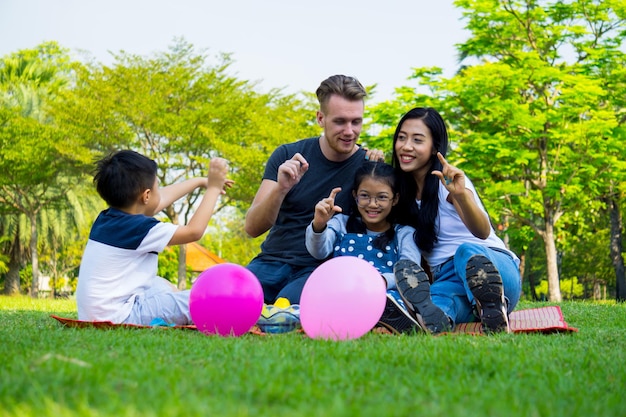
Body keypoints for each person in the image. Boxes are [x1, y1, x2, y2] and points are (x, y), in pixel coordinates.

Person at [245, 74, 383, 333]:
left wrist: (378, 176)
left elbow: (381, 227)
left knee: (287, 310)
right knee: (234, 301)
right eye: (340, 121)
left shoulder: (368, 167)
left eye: (356, 122)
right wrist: (281, 188)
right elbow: (252, 227)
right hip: (270, 262)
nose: (349, 131)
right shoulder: (287, 155)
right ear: (320, 118)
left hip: (319, 270)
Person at [391, 107, 522, 334]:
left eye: (417, 140)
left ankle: (490, 301)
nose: (406, 146)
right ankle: (449, 318)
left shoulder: (449, 182)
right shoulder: (400, 193)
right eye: (401, 138)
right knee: (437, 299)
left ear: (435, 148)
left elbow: (481, 231)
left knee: (466, 252)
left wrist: (460, 195)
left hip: (494, 268)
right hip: (451, 280)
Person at [76, 150, 232, 326]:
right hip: (121, 316)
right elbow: (194, 231)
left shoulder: (106, 219)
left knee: (161, 284)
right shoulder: (140, 229)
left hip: (97, 312)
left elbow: (159, 199)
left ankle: (176, 308)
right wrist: (213, 189)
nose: (162, 192)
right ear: (147, 195)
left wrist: (200, 182)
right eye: (158, 187)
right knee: (204, 299)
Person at [305, 161, 439, 334]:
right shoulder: (341, 223)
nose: (373, 204)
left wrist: (380, 281)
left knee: (390, 301)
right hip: (342, 291)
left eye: (382, 197)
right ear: (355, 195)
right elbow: (318, 251)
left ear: (395, 199)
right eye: (365, 196)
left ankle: (391, 321)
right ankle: (370, 323)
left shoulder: (404, 233)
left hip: (386, 293)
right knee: (330, 303)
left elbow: (410, 273)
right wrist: (319, 223)